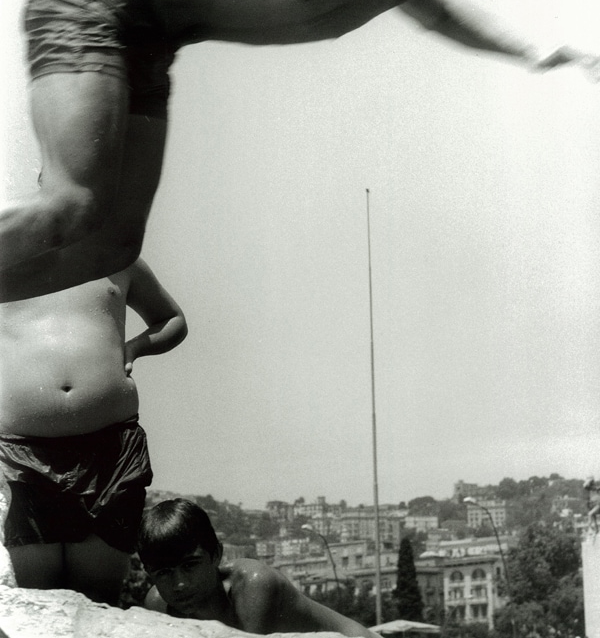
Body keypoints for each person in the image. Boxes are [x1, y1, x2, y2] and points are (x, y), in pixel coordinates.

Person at [1, 0, 596, 304]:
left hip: (154, 41)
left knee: (110, 245)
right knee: (71, 203)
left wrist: (538, 52)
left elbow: (446, 19)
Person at [0, 256, 188, 605]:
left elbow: (173, 319)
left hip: (111, 451)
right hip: (24, 453)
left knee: (98, 599)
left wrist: (134, 347)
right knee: (39, 603)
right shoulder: (8, 254)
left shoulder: (119, 256)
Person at [139, 498, 377, 636]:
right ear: (149, 573)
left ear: (216, 555)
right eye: (164, 573)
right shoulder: (158, 604)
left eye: (190, 565)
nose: (179, 583)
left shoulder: (253, 586)